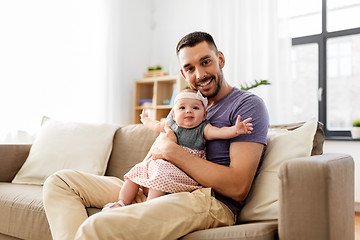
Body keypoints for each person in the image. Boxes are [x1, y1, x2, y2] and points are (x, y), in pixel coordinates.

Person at [43, 31, 269, 240]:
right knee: (60, 182)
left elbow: (238, 188)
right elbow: (158, 149)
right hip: (154, 185)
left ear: (220, 59)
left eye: (206, 62)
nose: (199, 74)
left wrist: (173, 151)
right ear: (183, 73)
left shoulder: (246, 106)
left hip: (205, 199)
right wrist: (137, 181)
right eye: (190, 68)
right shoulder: (183, 106)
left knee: (97, 226)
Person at [102, 89, 253, 211]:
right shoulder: (171, 124)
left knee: (160, 173)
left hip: (185, 170)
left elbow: (220, 132)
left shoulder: (204, 128)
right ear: (173, 113)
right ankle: (122, 202)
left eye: (195, 108)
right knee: (137, 169)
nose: (188, 111)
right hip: (163, 163)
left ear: (205, 114)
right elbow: (155, 126)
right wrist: (145, 120)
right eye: (182, 108)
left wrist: (235, 130)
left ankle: (147, 209)